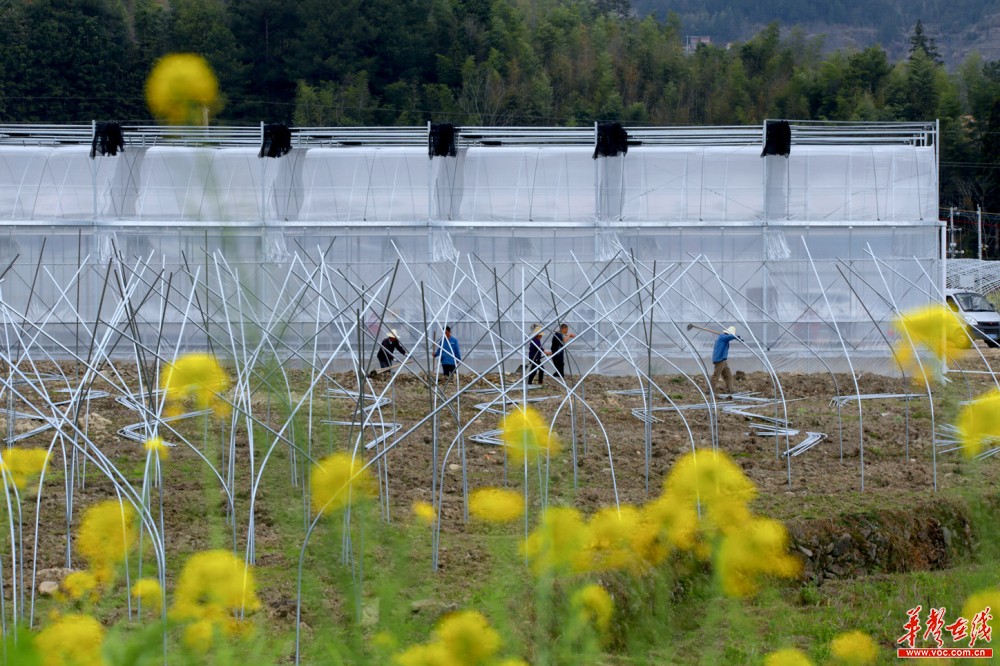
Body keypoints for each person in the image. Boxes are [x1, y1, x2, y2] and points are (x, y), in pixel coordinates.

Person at [711, 326, 740, 396]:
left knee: (728, 375)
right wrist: (736, 337)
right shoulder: (722, 337)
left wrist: (736, 337)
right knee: (716, 376)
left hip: (723, 360)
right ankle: (710, 390)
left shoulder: (724, 338)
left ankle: (730, 389)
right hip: (719, 359)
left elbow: (729, 338)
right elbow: (730, 337)